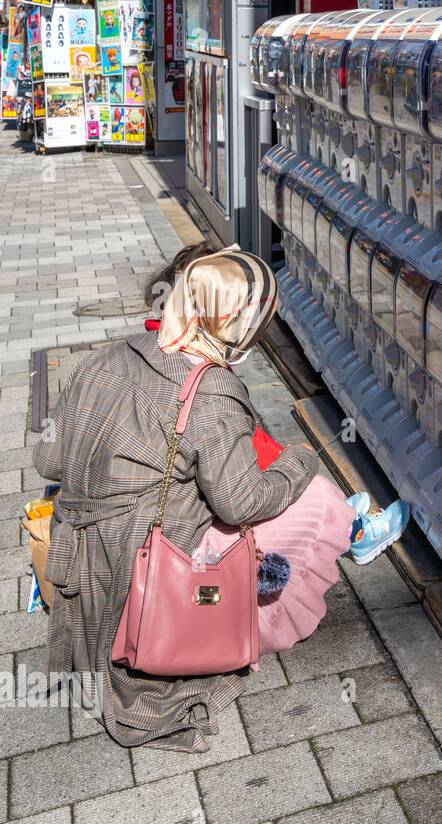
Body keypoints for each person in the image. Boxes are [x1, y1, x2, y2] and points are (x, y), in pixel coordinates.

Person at [34, 244, 410, 753]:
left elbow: (50, 462)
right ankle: (259, 611)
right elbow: (239, 501)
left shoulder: (106, 357)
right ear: (235, 326)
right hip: (143, 572)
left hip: (80, 560)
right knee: (318, 500)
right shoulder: (211, 391)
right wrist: (300, 460)